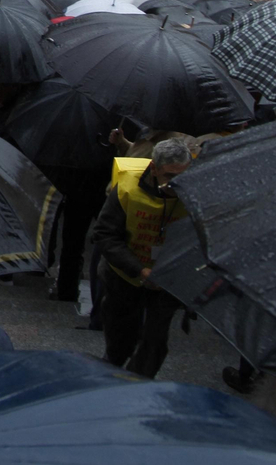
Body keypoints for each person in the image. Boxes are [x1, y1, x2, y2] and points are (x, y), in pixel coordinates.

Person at [93, 138, 192, 377]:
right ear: (154, 169)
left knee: (155, 341)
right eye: (169, 176)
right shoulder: (127, 188)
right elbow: (105, 235)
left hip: (167, 280)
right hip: (125, 276)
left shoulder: (194, 192)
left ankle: (137, 384)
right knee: (120, 338)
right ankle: (112, 373)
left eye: (182, 176)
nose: (176, 183)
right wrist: (139, 270)